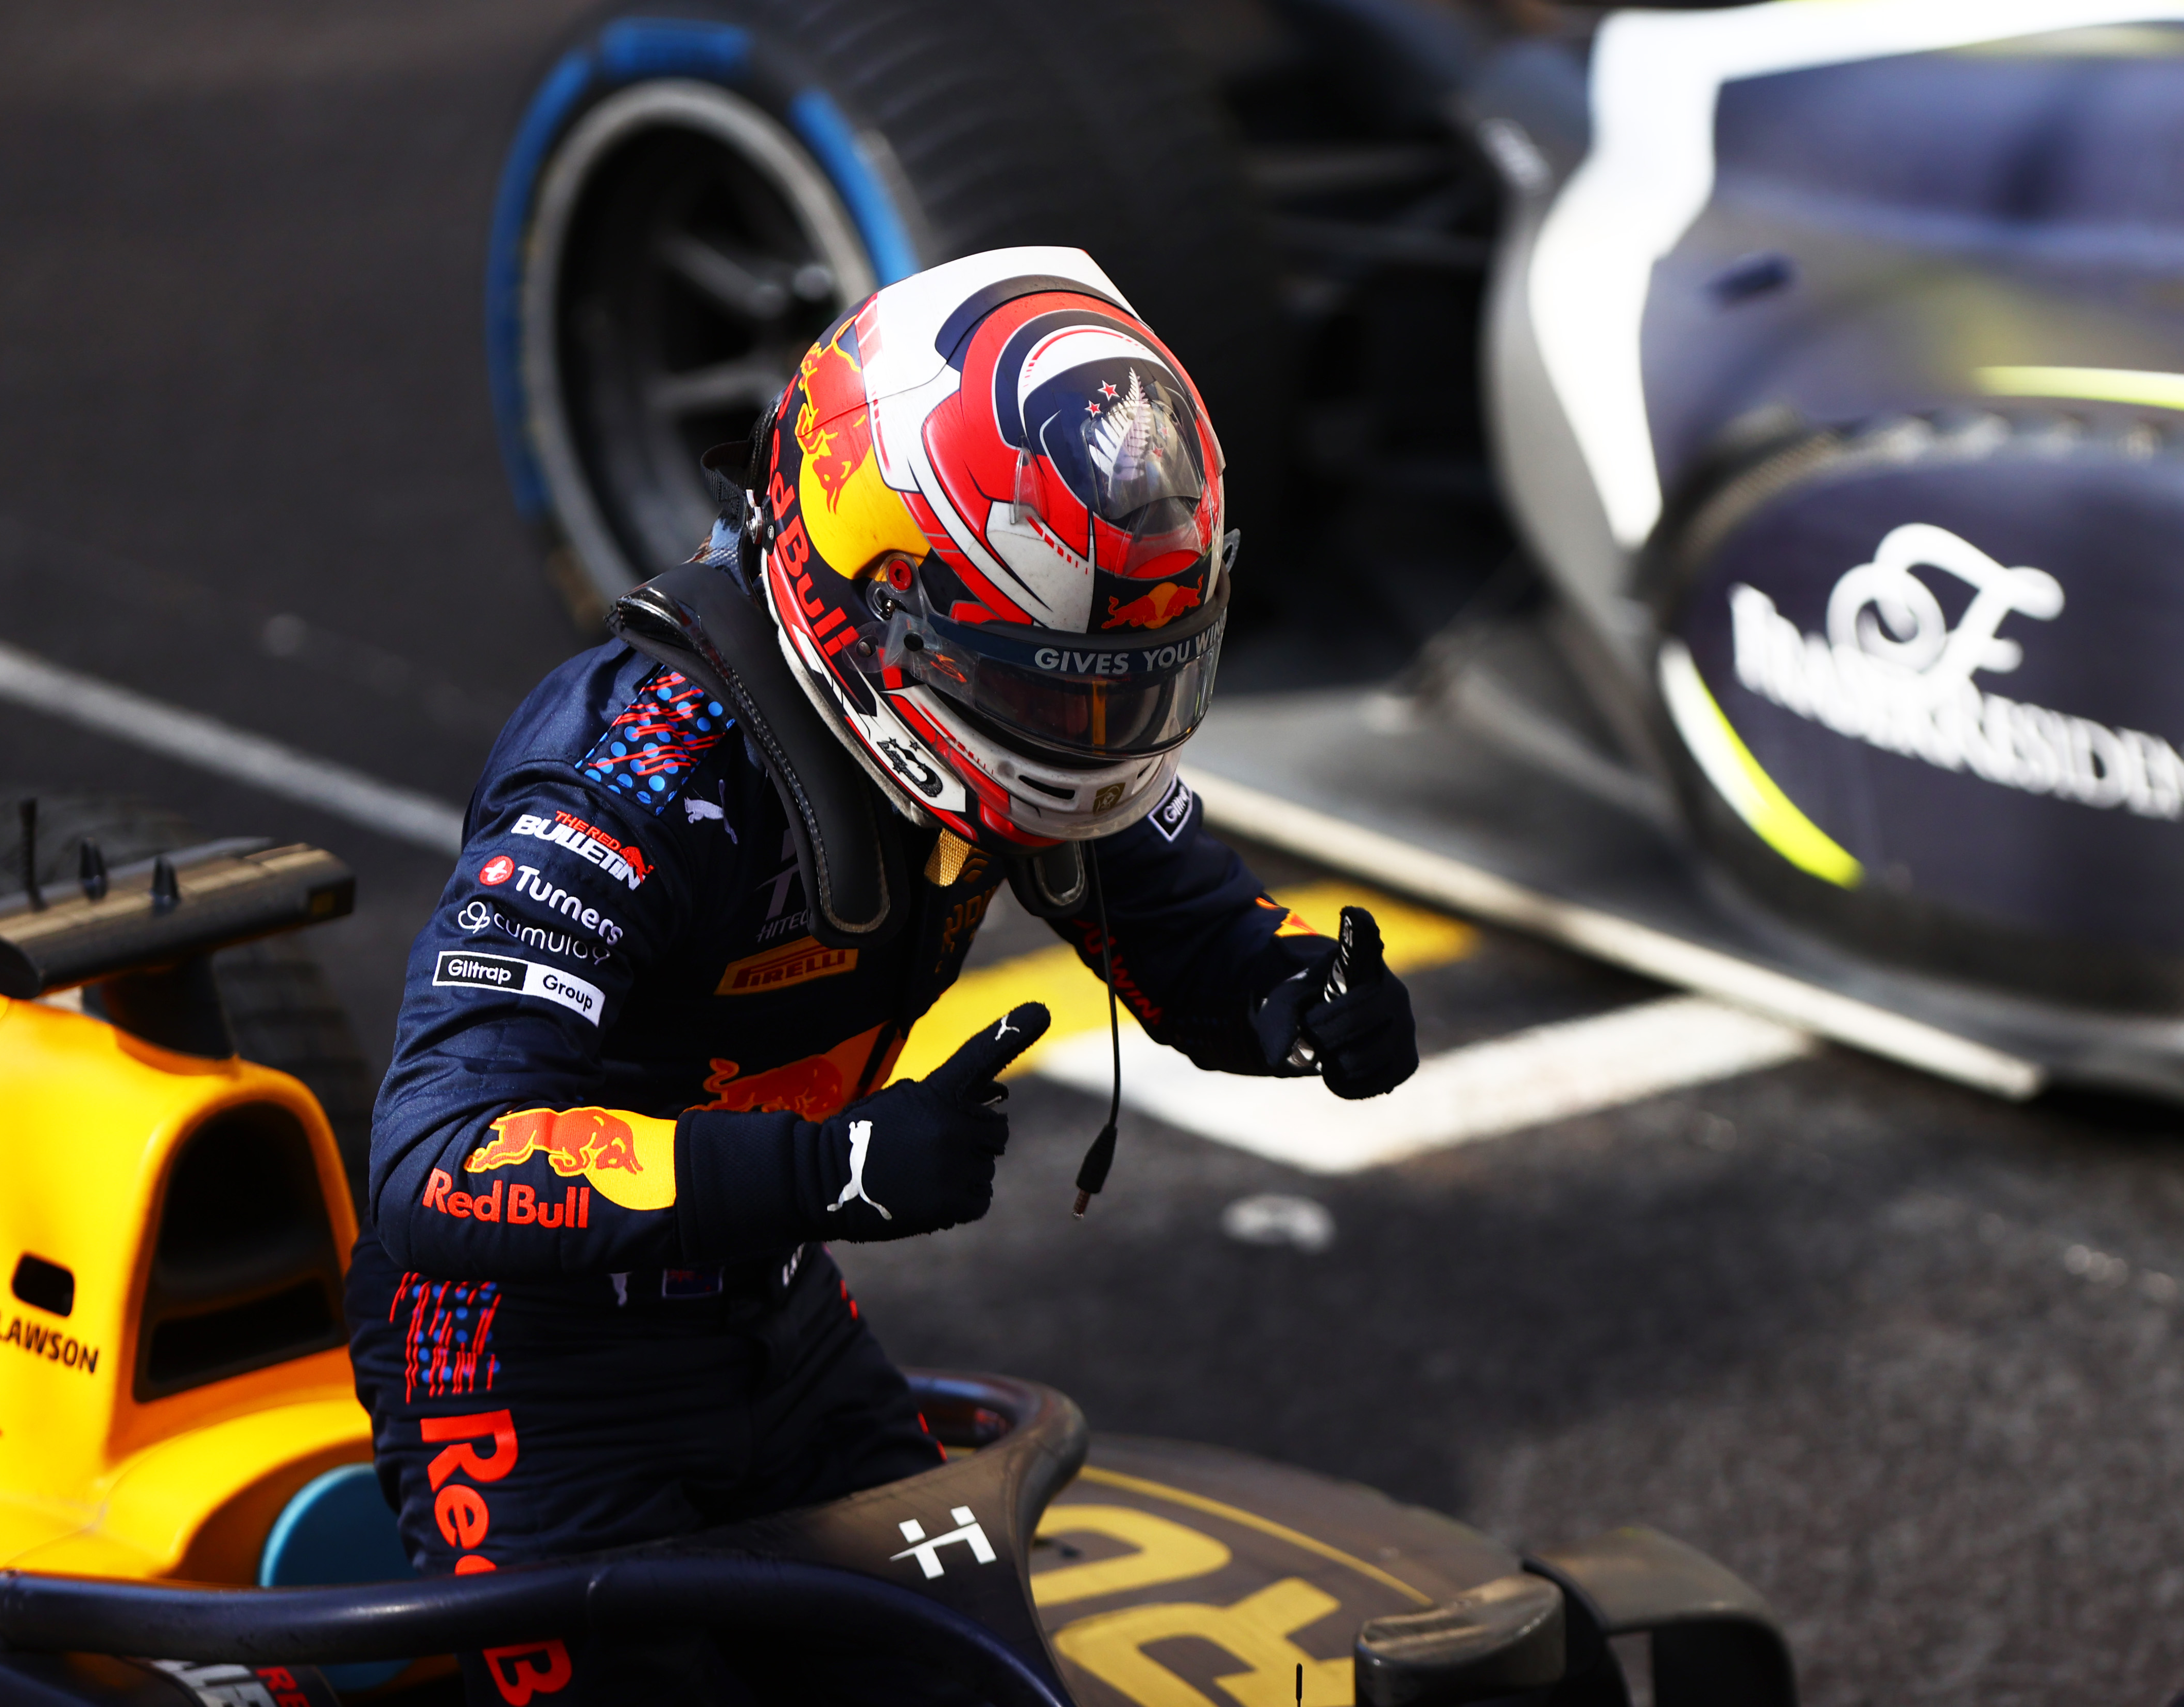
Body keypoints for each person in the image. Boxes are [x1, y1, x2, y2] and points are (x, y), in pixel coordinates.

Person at [345, 246, 1419, 1703]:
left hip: (768, 1318)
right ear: (870, 598)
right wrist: (830, 1167)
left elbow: (1178, 917)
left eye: (1126, 680)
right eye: (1048, 685)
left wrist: (1293, 998)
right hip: (527, 1373)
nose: (1089, 727)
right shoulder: (633, 781)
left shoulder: (1013, 728)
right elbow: (441, 1164)